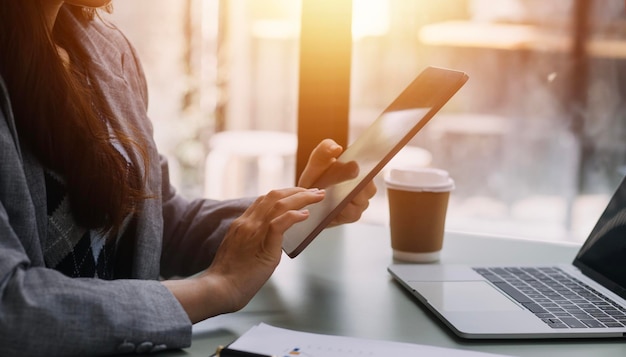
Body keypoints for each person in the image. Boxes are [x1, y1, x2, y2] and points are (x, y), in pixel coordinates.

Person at [0, 1, 376, 356]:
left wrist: (294, 209)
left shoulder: (105, 49)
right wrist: (213, 289)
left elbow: (159, 223)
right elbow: (9, 306)